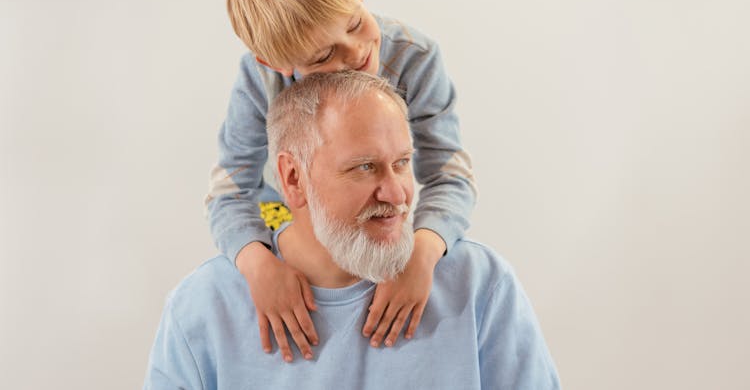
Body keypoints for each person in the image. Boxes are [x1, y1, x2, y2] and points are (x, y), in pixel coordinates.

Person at [146, 71, 560, 390]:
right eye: (364, 167)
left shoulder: (480, 287)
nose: (398, 193)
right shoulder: (201, 311)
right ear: (293, 179)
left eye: (402, 163)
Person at [205, 0, 477, 361]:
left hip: (385, 231)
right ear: (274, 64)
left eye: (354, 24)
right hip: (287, 223)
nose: (357, 54)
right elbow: (231, 188)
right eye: (323, 56)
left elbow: (450, 172)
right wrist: (259, 260)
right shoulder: (258, 83)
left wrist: (422, 253)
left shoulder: (415, 56)